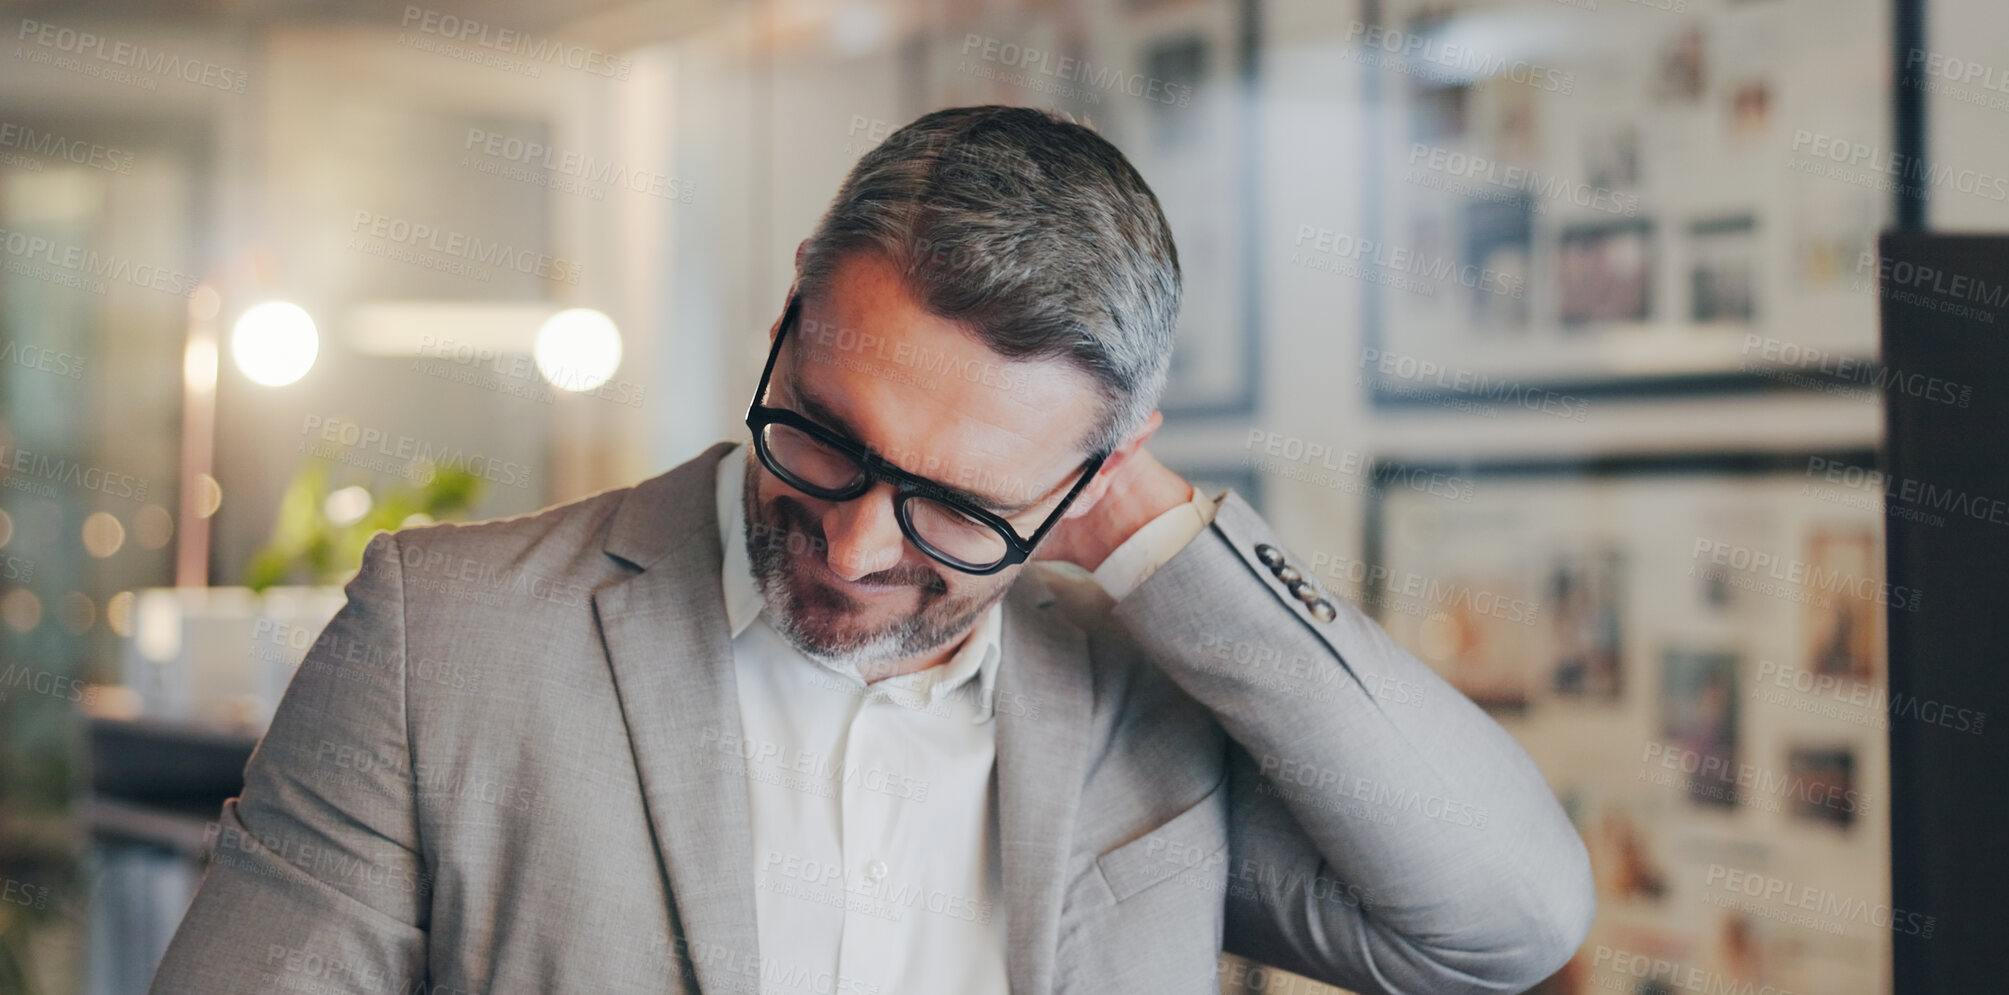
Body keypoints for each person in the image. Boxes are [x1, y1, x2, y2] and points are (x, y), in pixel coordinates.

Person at [149, 105, 1592, 995]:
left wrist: (1162, 538)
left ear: (1102, 461)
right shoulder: (446, 636)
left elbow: (1506, 922)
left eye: (956, 504)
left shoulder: (1151, 709)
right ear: (789, 312)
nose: (847, 543)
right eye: (824, 434)